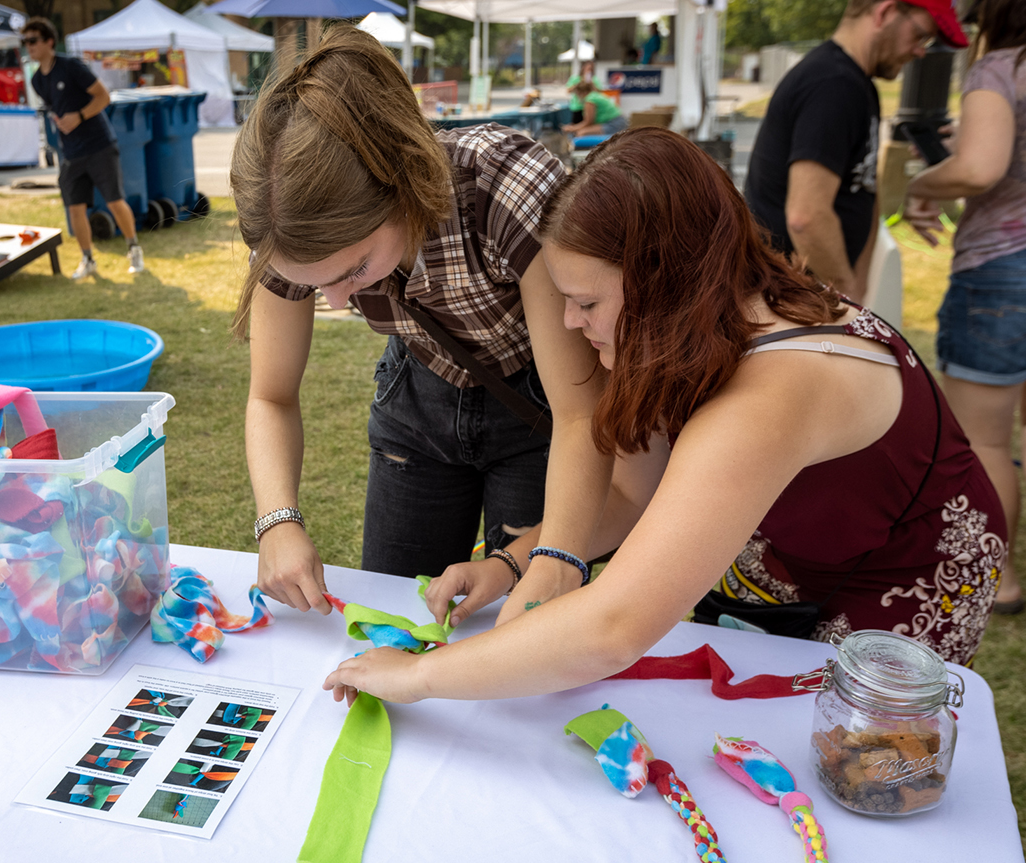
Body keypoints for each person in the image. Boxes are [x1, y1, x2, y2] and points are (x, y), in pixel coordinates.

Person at [323, 127, 1005, 707]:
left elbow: (613, 628)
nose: (568, 323)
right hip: (790, 561)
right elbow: (630, 494)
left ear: (663, 282)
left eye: (587, 302)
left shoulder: (770, 393)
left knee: (854, 751)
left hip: (899, 574)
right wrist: (510, 561)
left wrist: (420, 676)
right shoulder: (687, 329)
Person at [232, 26, 612, 618]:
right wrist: (277, 520)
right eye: (315, 283)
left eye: (354, 270)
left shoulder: (501, 189)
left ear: (401, 184)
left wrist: (552, 560)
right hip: (417, 402)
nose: (335, 302)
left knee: (523, 618)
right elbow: (271, 396)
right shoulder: (291, 227)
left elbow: (579, 413)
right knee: (401, 613)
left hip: (540, 411)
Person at [905, 0, 1026, 615]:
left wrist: (920, 184)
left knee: (984, 442)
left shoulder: (1000, 68)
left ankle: (998, 582)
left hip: (1003, 269)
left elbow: (979, 167)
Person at [744, 0, 966, 302]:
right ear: (885, 12)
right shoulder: (833, 85)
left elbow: (865, 189)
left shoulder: (858, 84)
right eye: (920, 35)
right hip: (791, 298)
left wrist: (858, 287)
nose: (921, 51)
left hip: (817, 295)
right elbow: (807, 217)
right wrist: (848, 297)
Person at [21, 17, 144, 278]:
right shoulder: (37, 81)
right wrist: (61, 121)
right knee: (74, 207)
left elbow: (104, 96)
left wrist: (79, 116)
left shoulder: (70, 66)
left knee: (114, 201)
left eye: (33, 40)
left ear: (49, 42)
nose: (28, 46)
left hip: (99, 144)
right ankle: (87, 259)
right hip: (71, 151)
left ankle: (134, 249)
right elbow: (56, 109)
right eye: (25, 42)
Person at [563, 80, 629, 138]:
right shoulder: (595, 95)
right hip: (619, 121)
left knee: (581, 133)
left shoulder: (590, 99)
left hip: (614, 124)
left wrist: (572, 128)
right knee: (582, 131)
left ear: (580, 92)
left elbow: (588, 122)